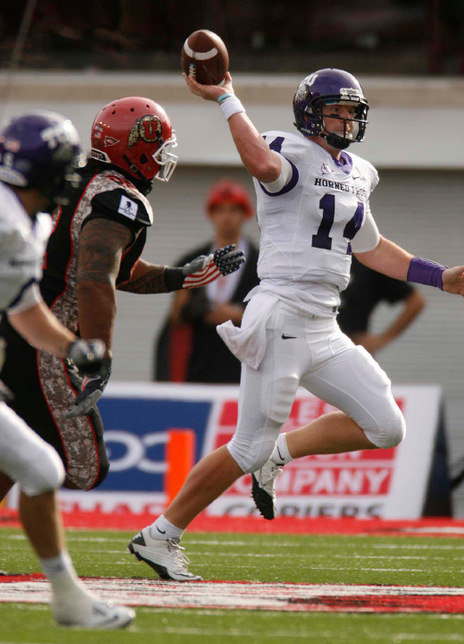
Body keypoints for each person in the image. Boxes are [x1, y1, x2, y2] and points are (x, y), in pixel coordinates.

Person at [128, 67, 464, 580]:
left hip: (323, 321)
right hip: (281, 311)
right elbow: (258, 161)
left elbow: (375, 249)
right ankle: (160, 536)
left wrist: (439, 276)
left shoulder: (358, 172)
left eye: (351, 111)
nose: (346, 119)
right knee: (244, 446)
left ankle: (283, 450)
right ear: (309, 113)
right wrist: (227, 97)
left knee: (386, 426)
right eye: (336, 109)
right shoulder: (286, 149)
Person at [0, 96, 245, 498]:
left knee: (22, 444)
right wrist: (100, 355)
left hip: (15, 323)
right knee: (84, 467)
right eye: (157, 147)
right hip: (45, 339)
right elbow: (96, 278)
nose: (163, 157)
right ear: (136, 147)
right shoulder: (117, 199)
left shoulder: (76, 181)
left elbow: (112, 270)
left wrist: (183, 276)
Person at [0, 110, 135, 627]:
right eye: (64, 167)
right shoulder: (9, 222)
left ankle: (68, 599)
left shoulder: (26, 220)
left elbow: (25, 310)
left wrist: (72, 348)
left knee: (41, 469)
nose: (72, 179)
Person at [154, 178, 259, 383]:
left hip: (243, 365)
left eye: (233, 210)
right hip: (199, 363)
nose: (227, 218)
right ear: (211, 214)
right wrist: (196, 309)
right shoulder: (190, 261)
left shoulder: (261, 264)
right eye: (220, 210)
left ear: (245, 214)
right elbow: (176, 318)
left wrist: (239, 314)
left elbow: (275, 313)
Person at [337, 256, 426, 354]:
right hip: (319, 345)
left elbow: (416, 301)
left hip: (350, 351)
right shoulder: (321, 255)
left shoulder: (366, 260)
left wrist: (382, 339)